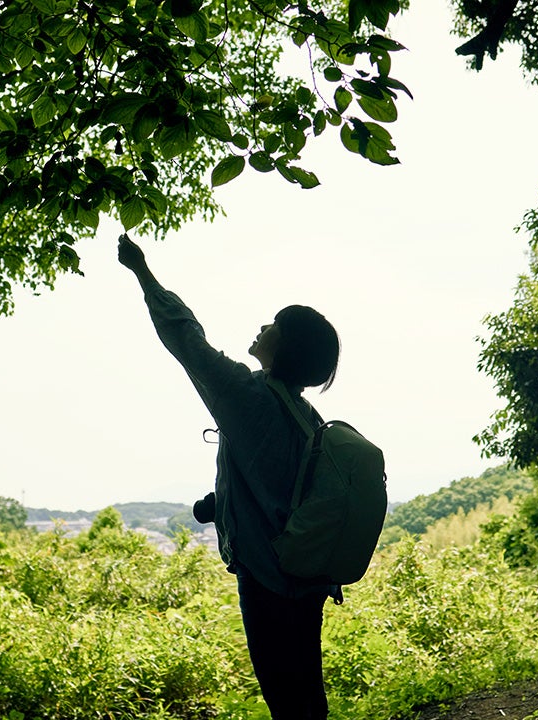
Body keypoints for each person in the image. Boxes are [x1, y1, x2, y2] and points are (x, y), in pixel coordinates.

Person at [117, 233, 340, 720]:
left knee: (286, 697)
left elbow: (185, 338)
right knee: (305, 688)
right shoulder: (307, 418)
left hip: (268, 578)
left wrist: (142, 271)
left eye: (275, 325)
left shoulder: (248, 396)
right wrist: (217, 503)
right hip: (307, 576)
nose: (264, 326)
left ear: (288, 346)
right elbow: (279, 489)